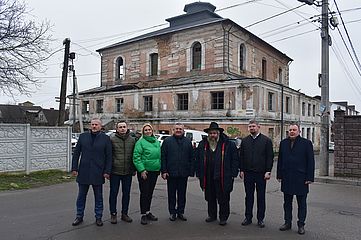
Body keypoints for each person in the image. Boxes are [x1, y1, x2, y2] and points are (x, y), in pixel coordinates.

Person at [195, 122, 239, 226]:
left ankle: (223, 217)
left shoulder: (228, 144)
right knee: (210, 197)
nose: (213, 135)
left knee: (223, 198)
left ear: (218, 134)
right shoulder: (203, 144)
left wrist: (233, 173)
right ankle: (212, 215)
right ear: (208, 134)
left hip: (223, 176)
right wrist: (199, 173)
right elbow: (197, 159)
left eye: (214, 133)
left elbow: (235, 159)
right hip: (208, 175)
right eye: (211, 133)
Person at [71, 118, 112, 227]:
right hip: (83, 171)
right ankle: (79, 216)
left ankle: (98, 217)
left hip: (98, 172)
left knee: (98, 197)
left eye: (96, 125)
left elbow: (109, 157)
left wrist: (107, 171)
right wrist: (74, 168)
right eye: (92, 124)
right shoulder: (83, 137)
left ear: (100, 126)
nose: (94, 126)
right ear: (90, 126)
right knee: (81, 196)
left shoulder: (105, 138)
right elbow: (76, 154)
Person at [277, 123, 315, 235]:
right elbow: (280, 160)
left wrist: (309, 177)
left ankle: (301, 224)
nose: (292, 132)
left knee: (301, 203)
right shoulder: (283, 143)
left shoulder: (306, 143)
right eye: (290, 130)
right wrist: (279, 175)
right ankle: (287, 223)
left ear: (299, 131)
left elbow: (311, 162)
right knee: (287, 203)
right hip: (287, 177)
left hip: (301, 178)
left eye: (294, 130)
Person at [240, 119, 274, 228]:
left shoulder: (266, 141)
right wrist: (241, 170)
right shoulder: (245, 141)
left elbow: (270, 157)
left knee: (261, 197)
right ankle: (248, 217)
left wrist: (268, 171)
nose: (252, 128)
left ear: (258, 127)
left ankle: (260, 219)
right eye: (250, 127)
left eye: (253, 126)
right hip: (248, 173)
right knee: (248, 196)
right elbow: (242, 157)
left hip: (261, 174)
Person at [161, 123, 194, 221]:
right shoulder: (167, 141)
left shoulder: (188, 142)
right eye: (176, 129)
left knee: (182, 194)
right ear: (173, 130)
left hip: (183, 173)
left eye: (180, 129)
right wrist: (164, 170)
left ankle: (180, 212)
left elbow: (191, 157)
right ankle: (172, 212)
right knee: (171, 194)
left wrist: (190, 171)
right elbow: (163, 157)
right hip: (171, 173)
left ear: (183, 130)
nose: (178, 130)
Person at [133, 123, 161, 225]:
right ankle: (143, 214)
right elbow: (136, 157)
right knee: (144, 193)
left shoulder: (156, 142)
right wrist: (142, 170)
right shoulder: (140, 143)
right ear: (143, 132)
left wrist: (160, 168)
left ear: (152, 131)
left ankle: (148, 211)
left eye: (149, 130)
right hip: (145, 172)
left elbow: (159, 156)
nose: (148, 131)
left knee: (150, 193)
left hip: (154, 171)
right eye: (146, 130)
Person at [109, 121, 136, 224]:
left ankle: (125, 213)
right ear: (117, 129)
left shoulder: (132, 140)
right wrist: (108, 170)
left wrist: (134, 169)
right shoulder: (111, 139)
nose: (122, 129)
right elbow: (109, 155)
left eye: (124, 127)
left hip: (128, 172)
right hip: (115, 171)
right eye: (120, 127)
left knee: (126, 194)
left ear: (127, 128)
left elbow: (135, 155)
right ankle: (113, 214)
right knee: (113, 193)